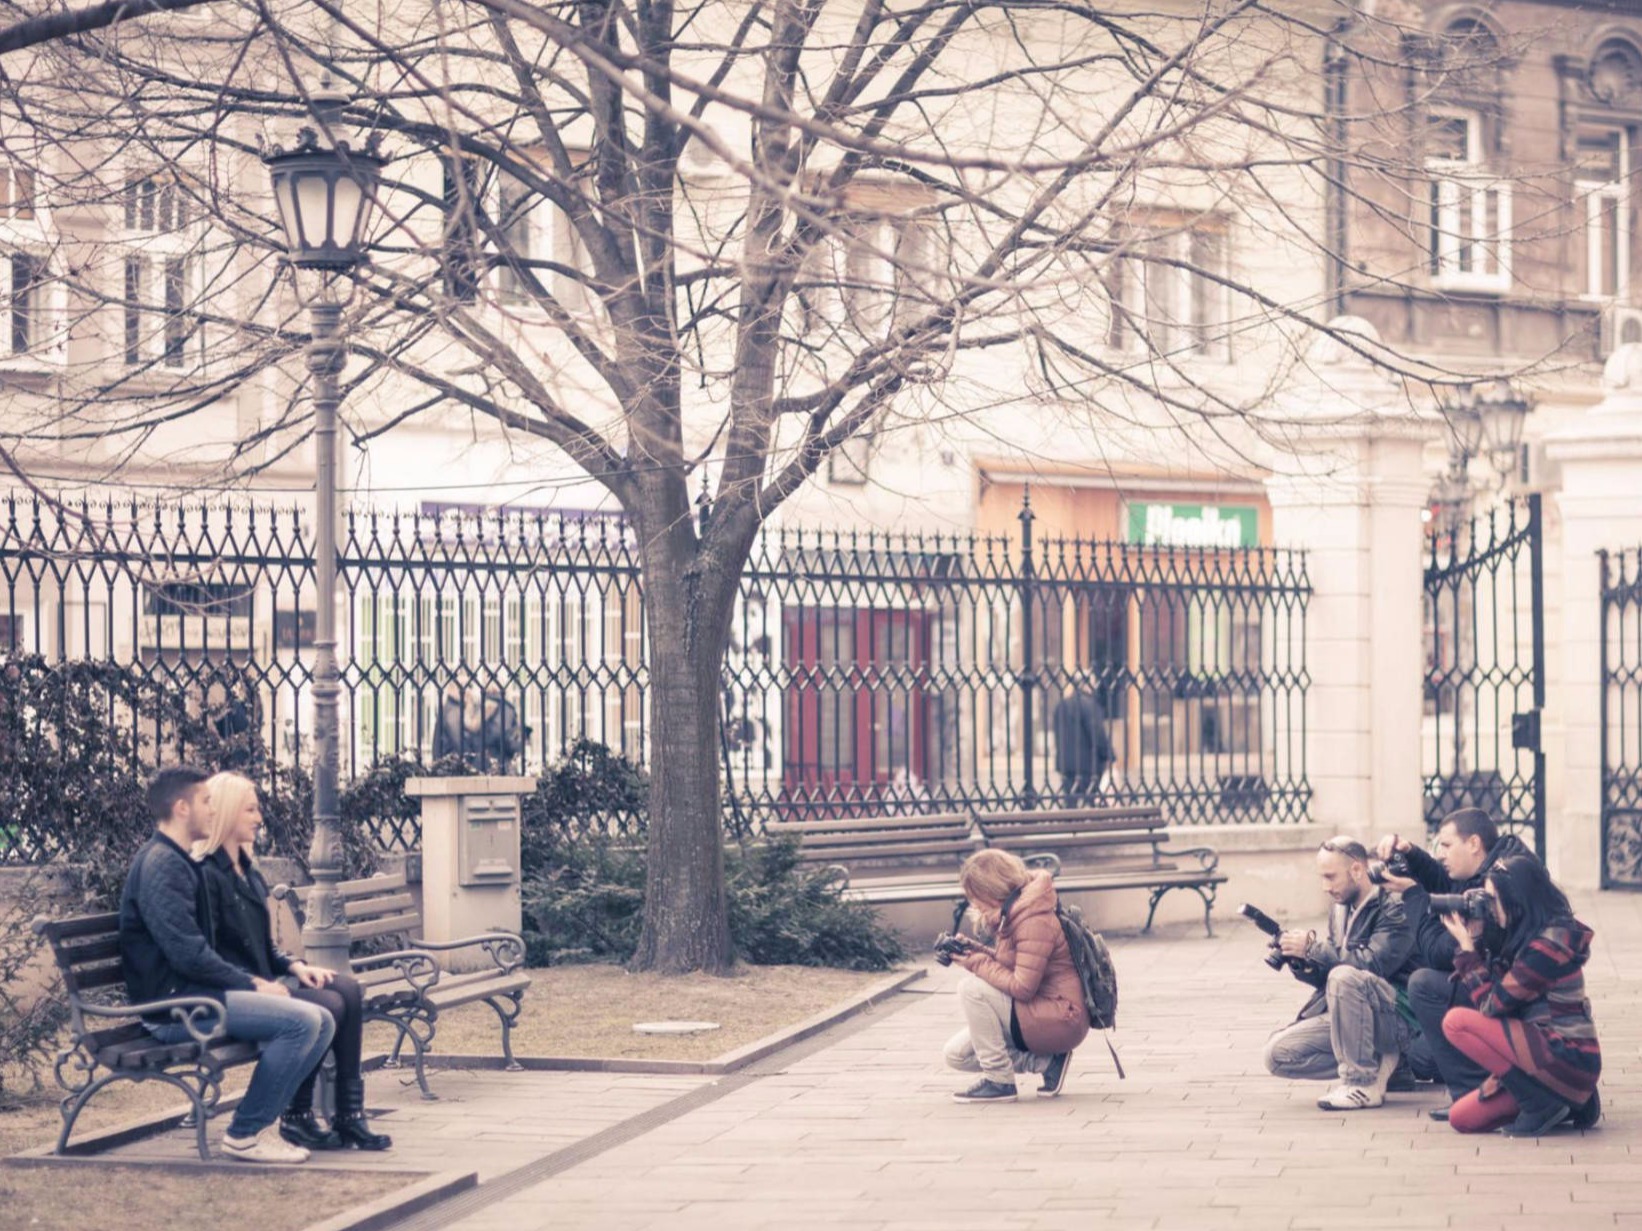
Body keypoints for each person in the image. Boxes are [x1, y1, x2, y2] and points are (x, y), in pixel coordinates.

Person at [118, 766, 334, 1164]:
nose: (214, 812)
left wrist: (259, 977)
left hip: (196, 996)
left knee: (320, 1018)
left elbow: (202, 950)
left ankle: (258, 1127)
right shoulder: (161, 865)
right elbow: (188, 954)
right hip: (174, 1009)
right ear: (182, 808)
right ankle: (244, 1133)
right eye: (205, 803)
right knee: (302, 1021)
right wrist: (252, 984)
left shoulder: (177, 861)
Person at [196, 771, 392, 1151]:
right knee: (330, 1005)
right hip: (238, 994)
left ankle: (350, 1116)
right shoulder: (207, 876)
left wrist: (294, 966)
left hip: (266, 983)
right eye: (250, 810)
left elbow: (262, 944)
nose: (259, 818)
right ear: (227, 814)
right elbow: (208, 954)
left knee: (346, 988)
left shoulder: (247, 871)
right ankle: (297, 1115)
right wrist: (257, 982)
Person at [1373, 809, 1532, 1119]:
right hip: (1512, 989)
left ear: (1473, 843)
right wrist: (1410, 853)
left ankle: (1477, 1094)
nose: (1440, 854)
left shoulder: (1492, 890)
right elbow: (1446, 881)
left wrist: (1413, 895)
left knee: (1423, 984)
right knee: (1422, 1059)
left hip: (1512, 1001)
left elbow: (1438, 952)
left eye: (1446, 846)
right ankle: (1489, 1077)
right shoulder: (1499, 867)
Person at [1439, 855, 1602, 1135]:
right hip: (1539, 1055)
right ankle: (1565, 1099)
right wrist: (1479, 939)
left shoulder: (1549, 944)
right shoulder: (1520, 934)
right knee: (1461, 1119)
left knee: (1456, 1022)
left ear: (1517, 900)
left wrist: (1467, 952)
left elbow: (1492, 1005)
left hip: (1566, 1055)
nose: (1488, 907)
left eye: (1493, 899)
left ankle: (1546, 1102)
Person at [1262, 838, 1417, 1110]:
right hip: (1354, 1013)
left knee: (1344, 976)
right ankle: (1387, 1065)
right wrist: (1301, 959)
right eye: (1322, 878)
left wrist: (1313, 948)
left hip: (1398, 1018)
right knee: (1277, 1055)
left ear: (1357, 870)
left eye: (1331, 877)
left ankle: (1361, 1083)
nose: (1325, 887)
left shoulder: (1394, 905)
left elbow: (1372, 965)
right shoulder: (1340, 907)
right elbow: (1330, 976)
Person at [942, 849, 1090, 1103]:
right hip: (1041, 1010)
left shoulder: (1033, 919)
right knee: (956, 1054)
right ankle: (1047, 1063)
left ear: (990, 889)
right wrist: (974, 951)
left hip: (1062, 1016)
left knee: (971, 988)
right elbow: (1015, 964)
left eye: (975, 895)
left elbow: (1023, 987)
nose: (973, 903)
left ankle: (999, 1081)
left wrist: (976, 963)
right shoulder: (1016, 910)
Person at [1051, 687, 1114, 807]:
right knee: (1091, 802)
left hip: (1066, 766)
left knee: (1070, 804)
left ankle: (1069, 824)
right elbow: (1097, 734)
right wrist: (1108, 755)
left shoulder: (1061, 706)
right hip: (1088, 766)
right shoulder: (1090, 705)